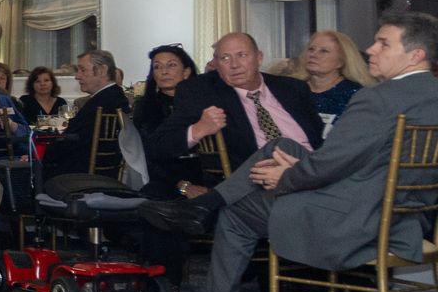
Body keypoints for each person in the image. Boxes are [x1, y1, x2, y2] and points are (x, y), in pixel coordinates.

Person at [143, 13, 438, 292]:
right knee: (281, 145)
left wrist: (286, 177)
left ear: (416, 55)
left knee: (237, 213)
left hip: (355, 218)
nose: (370, 49)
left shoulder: (375, 98)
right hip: (407, 216)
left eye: (383, 43)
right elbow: (346, 160)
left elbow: (330, 165)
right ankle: (206, 205)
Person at [144, 32, 321, 188]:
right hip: (258, 181)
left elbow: (320, 141)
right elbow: (158, 146)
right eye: (225, 58)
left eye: (242, 55)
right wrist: (198, 129)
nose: (234, 65)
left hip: (310, 171)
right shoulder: (201, 91)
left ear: (259, 58)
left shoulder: (293, 89)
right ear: (216, 64)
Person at [44, 50, 129, 178]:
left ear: (102, 70)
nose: (77, 76)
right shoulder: (116, 97)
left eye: (83, 70)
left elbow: (69, 141)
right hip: (106, 173)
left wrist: (41, 154)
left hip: (78, 175)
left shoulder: (100, 103)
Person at [133, 43, 200, 197]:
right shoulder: (146, 107)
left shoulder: (202, 103)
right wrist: (182, 185)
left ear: (186, 72)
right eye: (157, 67)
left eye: (171, 65)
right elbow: (147, 154)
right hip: (166, 178)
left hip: (206, 173)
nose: (164, 72)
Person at [300, 29, 375, 125]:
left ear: (341, 61)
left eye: (324, 51)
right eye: (311, 49)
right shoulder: (292, 90)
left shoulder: (356, 95)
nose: (313, 55)